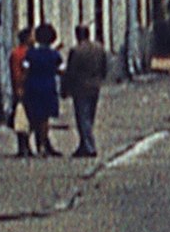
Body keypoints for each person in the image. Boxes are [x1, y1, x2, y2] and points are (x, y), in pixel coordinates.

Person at [62, 23, 111, 157]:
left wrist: (65, 88)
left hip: (80, 88)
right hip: (95, 87)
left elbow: (70, 72)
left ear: (77, 35)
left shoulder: (76, 51)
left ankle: (89, 147)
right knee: (90, 117)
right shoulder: (99, 48)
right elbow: (105, 66)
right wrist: (100, 79)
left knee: (82, 118)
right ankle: (83, 145)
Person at [19, 23, 65, 155]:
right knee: (45, 119)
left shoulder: (31, 53)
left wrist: (22, 85)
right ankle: (43, 146)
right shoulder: (54, 54)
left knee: (33, 116)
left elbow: (25, 69)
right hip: (48, 87)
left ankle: (29, 145)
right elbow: (61, 70)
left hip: (32, 87)